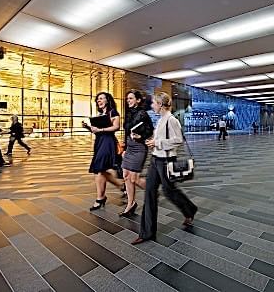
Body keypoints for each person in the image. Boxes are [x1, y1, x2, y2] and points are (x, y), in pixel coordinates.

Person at [132, 92, 197, 245]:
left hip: (166, 160)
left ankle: (189, 210)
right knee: (149, 193)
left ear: (160, 104)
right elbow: (159, 139)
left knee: (169, 191)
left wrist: (158, 143)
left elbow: (178, 140)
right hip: (155, 160)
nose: (152, 105)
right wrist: (149, 140)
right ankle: (147, 232)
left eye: (154, 103)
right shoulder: (161, 120)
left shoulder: (171, 120)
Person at [83, 92, 123, 211]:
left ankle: (100, 198)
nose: (98, 101)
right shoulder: (100, 114)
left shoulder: (113, 112)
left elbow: (116, 127)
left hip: (108, 142)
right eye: (97, 99)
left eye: (101, 99)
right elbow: (97, 131)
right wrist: (89, 128)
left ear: (107, 100)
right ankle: (120, 185)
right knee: (100, 169)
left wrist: (100, 129)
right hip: (99, 142)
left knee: (98, 168)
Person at [120, 90, 154, 217]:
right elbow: (127, 131)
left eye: (131, 98)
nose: (128, 100)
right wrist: (124, 148)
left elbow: (149, 131)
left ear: (138, 100)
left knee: (134, 178)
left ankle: (152, 190)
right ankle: (131, 204)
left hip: (139, 147)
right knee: (126, 175)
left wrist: (140, 136)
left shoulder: (143, 114)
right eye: (127, 98)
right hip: (129, 147)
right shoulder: (129, 113)